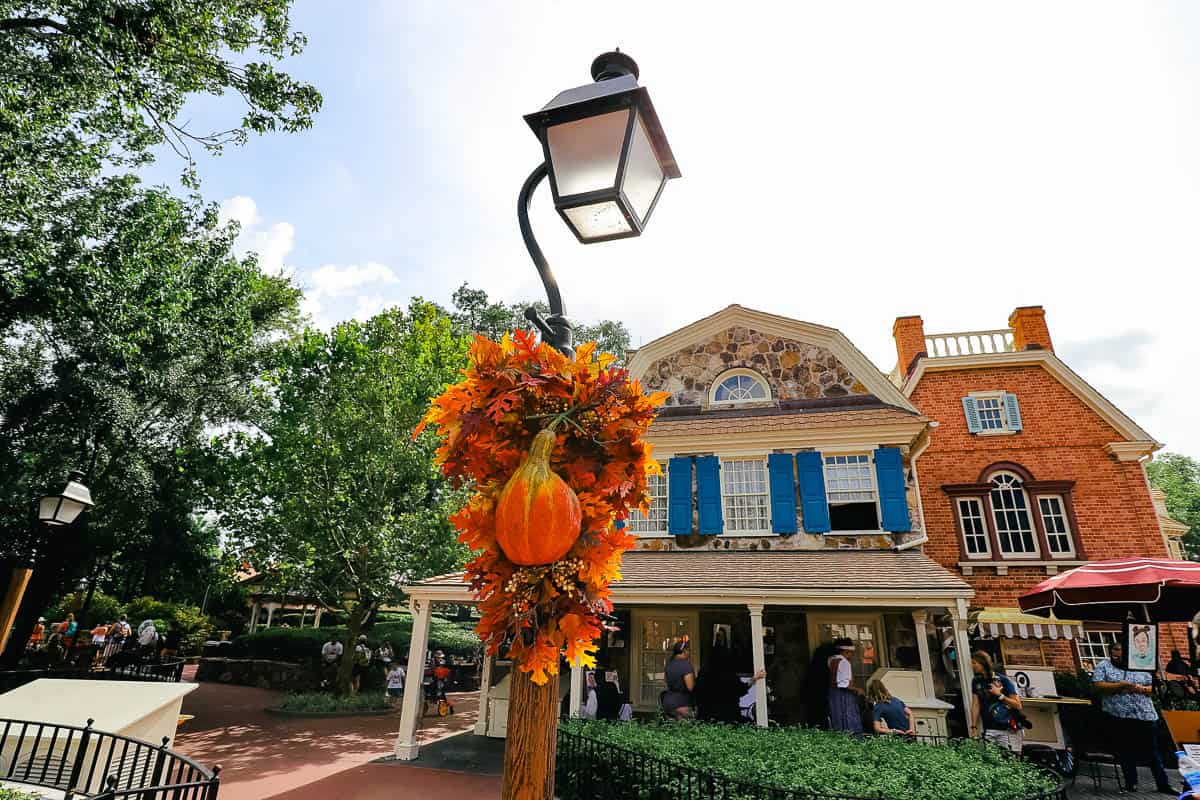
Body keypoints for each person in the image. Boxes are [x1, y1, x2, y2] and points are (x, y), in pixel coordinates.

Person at [1092, 641, 1173, 794]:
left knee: (1152, 751)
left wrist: (1141, 688)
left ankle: (1163, 784)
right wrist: (1120, 685)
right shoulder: (1104, 665)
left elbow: (1155, 688)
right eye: (1115, 649)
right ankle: (1131, 783)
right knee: (1125, 749)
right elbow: (1098, 685)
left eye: (1122, 650)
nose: (1118, 653)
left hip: (1144, 713)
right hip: (1119, 713)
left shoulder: (1141, 665)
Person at [693, 646, 766, 724]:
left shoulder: (704, 673)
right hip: (728, 717)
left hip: (706, 718)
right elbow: (741, 689)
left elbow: (696, 693)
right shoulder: (728, 674)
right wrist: (754, 678)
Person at [970, 651, 1024, 753]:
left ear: (982, 663)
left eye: (974, 663)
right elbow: (975, 704)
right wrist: (973, 726)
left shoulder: (1003, 680)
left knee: (1009, 758)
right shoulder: (976, 681)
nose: (972, 666)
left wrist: (1000, 695)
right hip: (989, 727)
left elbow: (1018, 705)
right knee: (991, 758)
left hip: (1008, 728)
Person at [828, 638, 863, 734]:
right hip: (843, 695)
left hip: (833, 694)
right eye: (851, 652)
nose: (852, 655)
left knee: (837, 717)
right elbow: (843, 684)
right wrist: (858, 689)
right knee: (847, 717)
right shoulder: (844, 662)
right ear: (846, 651)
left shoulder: (831, 660)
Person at [662, 639, 696, 718]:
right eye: (688, 650)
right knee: (689, 727)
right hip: (681, 703)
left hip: (667, 702)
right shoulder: (686, 665)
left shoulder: (669, 664)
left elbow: (666, 681)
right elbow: (690, 687)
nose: (689, 653)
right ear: (684, 651)